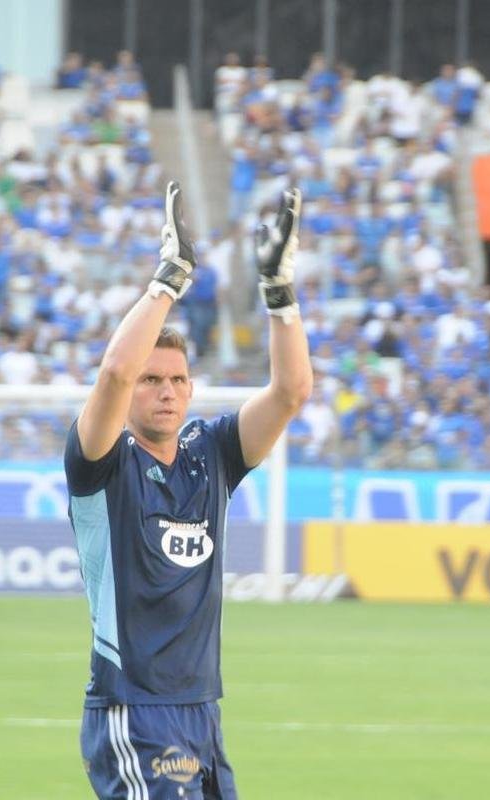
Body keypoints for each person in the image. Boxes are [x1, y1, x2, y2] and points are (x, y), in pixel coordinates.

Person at [65, 181, 311, 799]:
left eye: (177, 379)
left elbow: (291, 393)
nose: (166, 390)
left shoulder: (213, 455)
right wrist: (169, 280)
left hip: (201, 708)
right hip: (133, 709)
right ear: (130, 397)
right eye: (152, 380)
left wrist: (280, 295)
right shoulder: (102, 464)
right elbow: (115, 370)